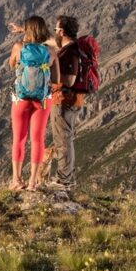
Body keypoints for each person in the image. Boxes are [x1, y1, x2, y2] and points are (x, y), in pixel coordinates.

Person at [7, 16, 60, 191]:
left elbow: (12, 65)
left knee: (19, 139)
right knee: (37, 140)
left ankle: (16, 180)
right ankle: (33, 182)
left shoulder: (18, 47)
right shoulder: (51, 51)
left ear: (27, 30)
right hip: (42, 101)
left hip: (20, 100)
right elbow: (56, 79)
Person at [48, 15, 84, 191]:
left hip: (64, 101)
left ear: (61, 31)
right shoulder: (69, 48)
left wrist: (50, 76)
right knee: (63, 139)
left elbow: (69, 80)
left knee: (63, 140)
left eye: (55, 30)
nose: (54, 33)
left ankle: (65, 180)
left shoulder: (70, 53)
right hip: (65, 100)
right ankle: (66, 177)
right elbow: (51, 42)